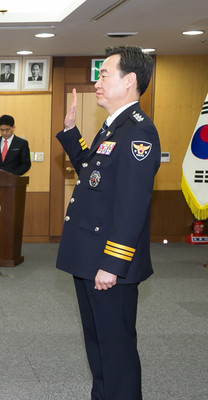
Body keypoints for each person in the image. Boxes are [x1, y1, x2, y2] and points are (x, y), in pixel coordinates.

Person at [56, 45, 160, 400]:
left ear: (129, 81)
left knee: (116, 352)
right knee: (99, 346)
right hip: (90, 259)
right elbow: (92, 171)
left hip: (108, 265)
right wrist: (71, 132)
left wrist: (112, 264)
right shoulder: (113, 128)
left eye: (103, 75)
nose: (97, 82)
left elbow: (132, 207)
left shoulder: (139, 133)